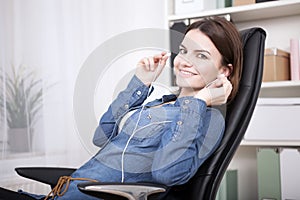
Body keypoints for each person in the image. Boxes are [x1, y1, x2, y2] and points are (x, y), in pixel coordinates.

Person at [0, 16, 242, 200]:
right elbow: (101, 136)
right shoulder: (164, 102)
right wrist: (140, 84)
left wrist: (197, 101)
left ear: (224, 71)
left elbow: (166, 174)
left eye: (201, 56)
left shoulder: (208, 119)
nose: (185, 61)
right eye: (183, 51)